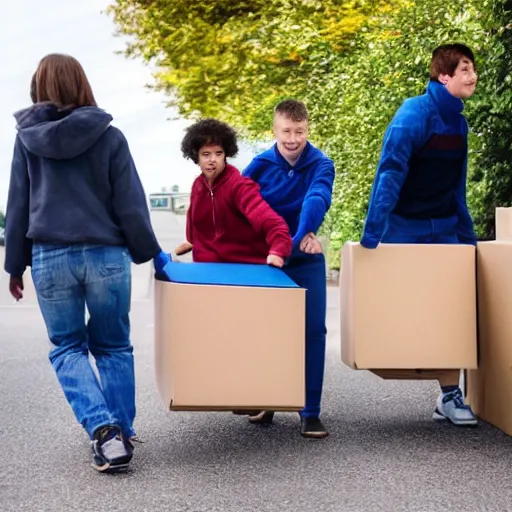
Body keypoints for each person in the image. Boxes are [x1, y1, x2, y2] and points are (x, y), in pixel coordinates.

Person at [4, 53, 171, 472]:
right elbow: (131, 204)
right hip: (105, 255)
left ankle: (104, 431)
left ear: (38, 86)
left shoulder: (27, 141)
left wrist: (15, 265)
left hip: (50, 255)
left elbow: (18, 206)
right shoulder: (110, 137)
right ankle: (120, 431)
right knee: (114, 345)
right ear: (81, 83)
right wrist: (150, 255)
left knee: (67, 348)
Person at [360, 43, 479, 426]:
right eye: (464, 69)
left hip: (442, 227)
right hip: (404, 227)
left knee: (452, 310)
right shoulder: (414, 114)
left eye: (472, 69)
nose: (472, 76)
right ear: (444, 76)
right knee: (406, 308)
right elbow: (390, 172)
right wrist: (373, 233)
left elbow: (455, 186)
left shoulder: (459, 123)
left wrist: (466, 235)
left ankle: (449, 395)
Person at [242, 99, 335, 438]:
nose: (293, 138)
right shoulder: (260, 164)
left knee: (312, 332)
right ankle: (268, 398)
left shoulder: (322, 163)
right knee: (267, 330)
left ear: (307, 130)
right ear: (274, 130)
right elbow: (236, 200)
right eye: (286, 132)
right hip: (268, 257)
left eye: (300, 131)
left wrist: (303, 234)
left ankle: (309, 411)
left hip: (303, 253)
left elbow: (317, 197)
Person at [176, 118, 293, 267]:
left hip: (242, 270)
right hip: (206, 272)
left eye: (218, 153)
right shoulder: (198, 186)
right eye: (206, 154)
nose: (213, 160)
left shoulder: (240, 187)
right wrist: (190, 240)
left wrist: (277, 251)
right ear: (196, 157)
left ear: (226, 155)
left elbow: (272, 223)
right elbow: (194, 223)